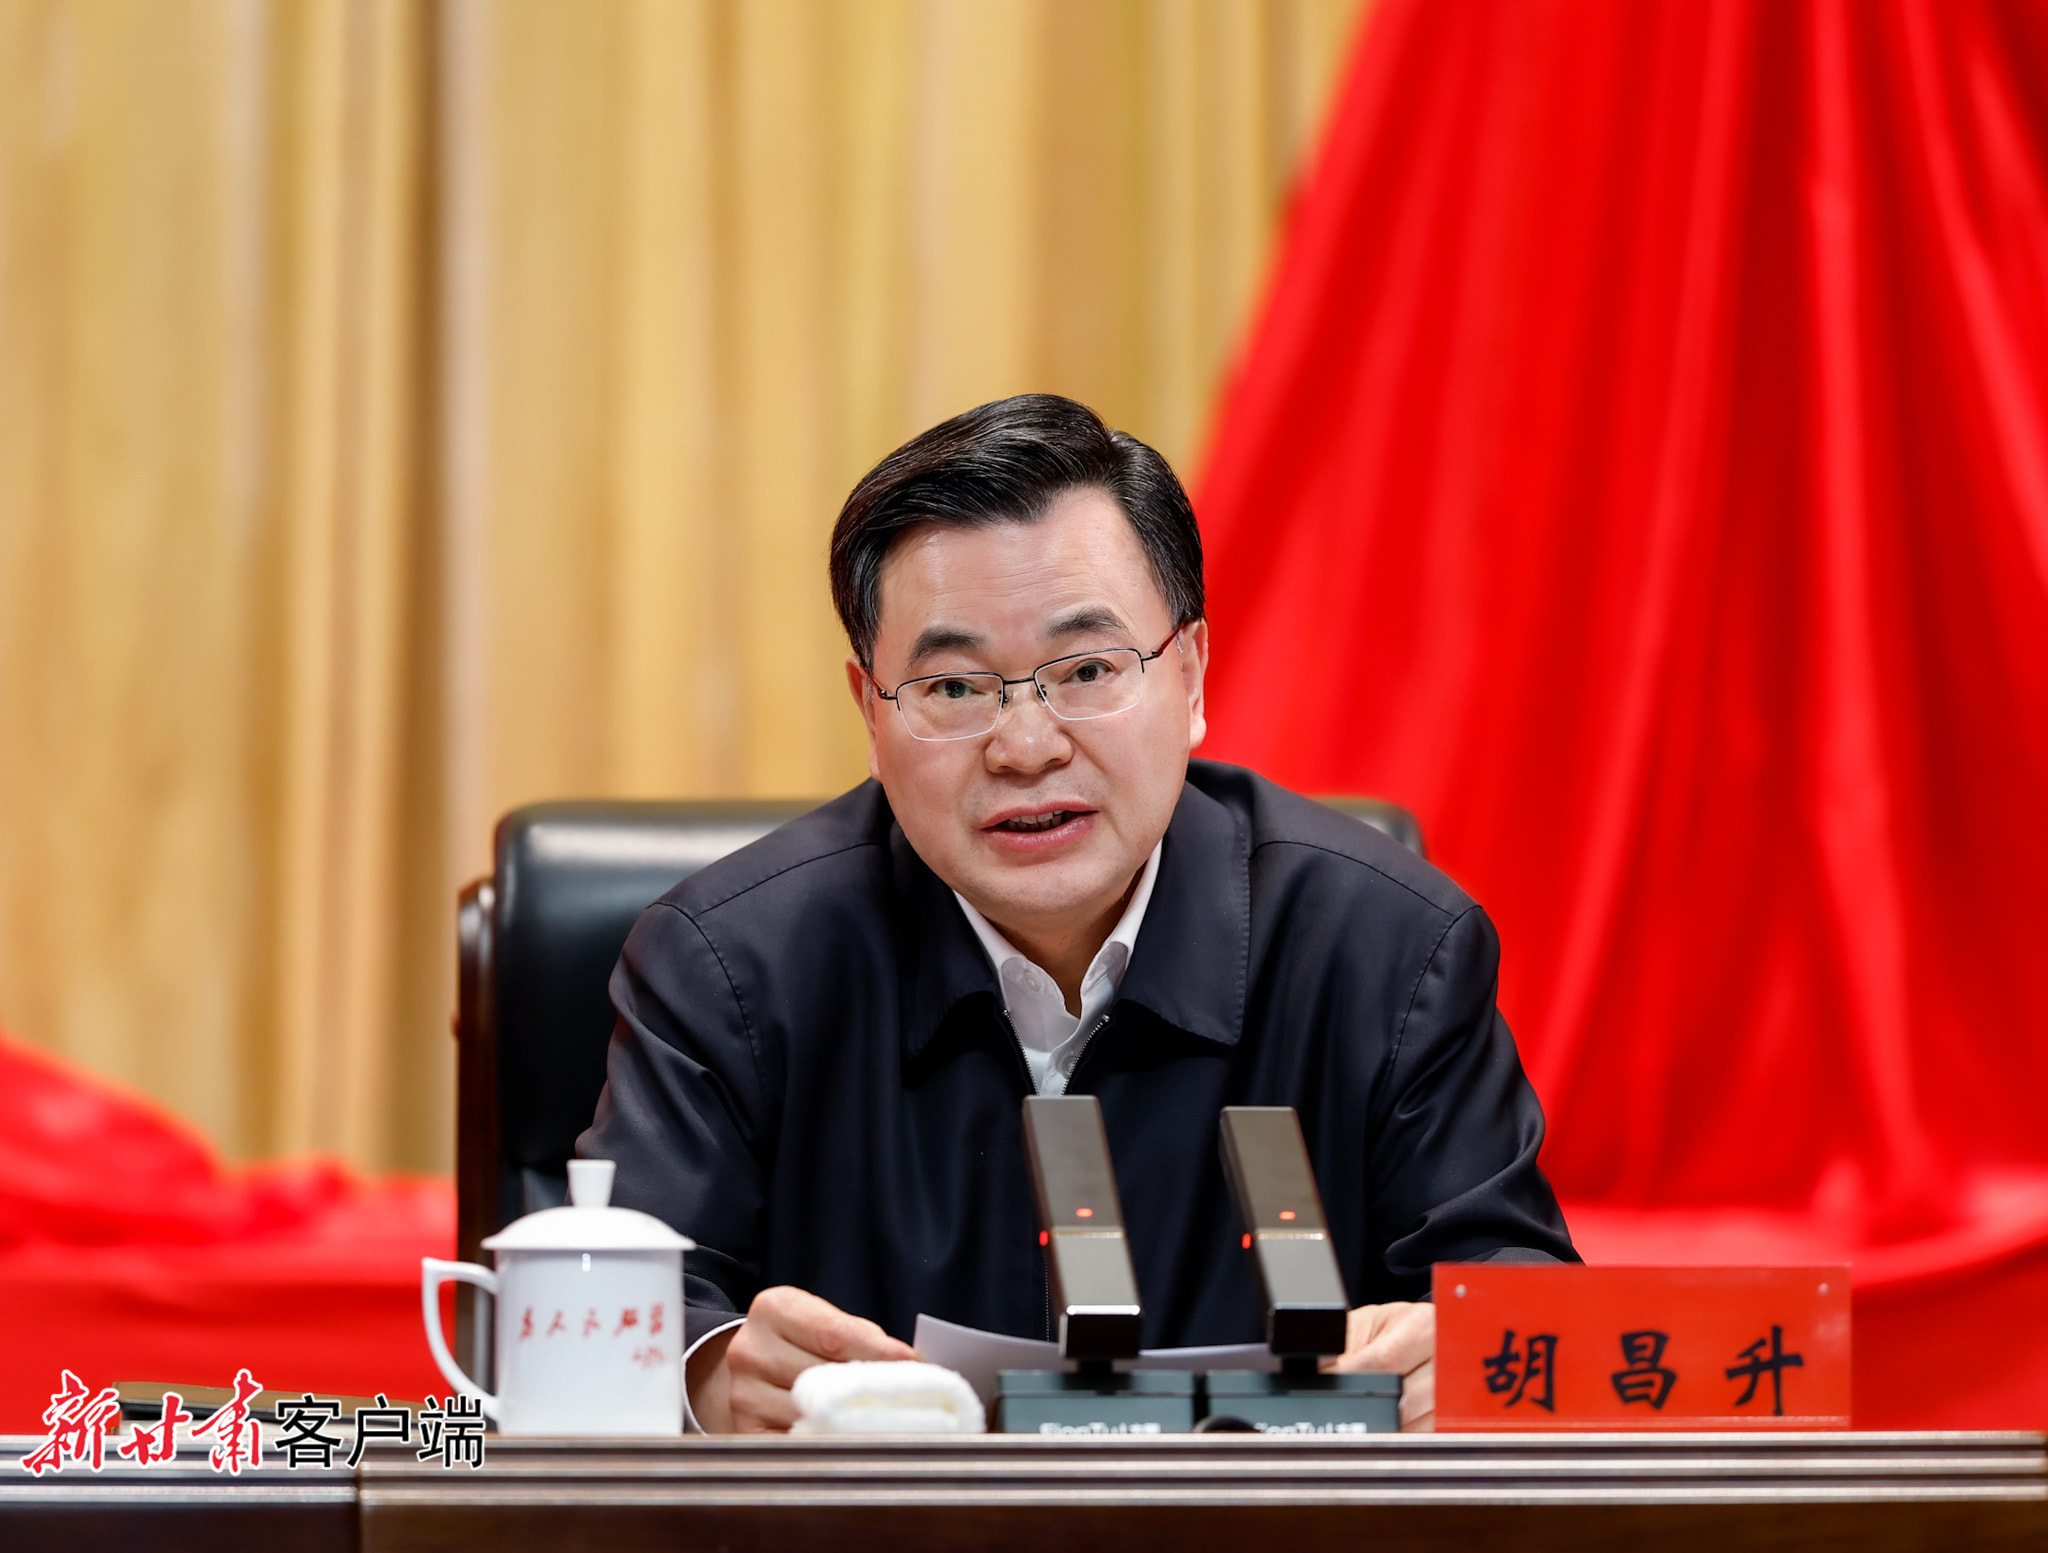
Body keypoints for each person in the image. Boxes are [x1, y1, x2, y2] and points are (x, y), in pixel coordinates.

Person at [580, 393, 1576, 1434]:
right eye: (953, 687)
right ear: (870, 710)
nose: (1025, 746)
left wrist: (1468, 1356)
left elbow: (1526, 1310)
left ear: (1191, 673)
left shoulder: (1388, 952)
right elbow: (606, 1310)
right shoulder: (727, 967)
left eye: (1088, 670)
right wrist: (704, 1378)